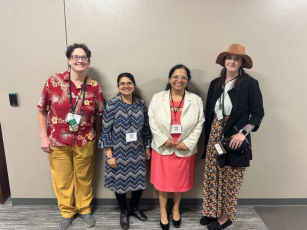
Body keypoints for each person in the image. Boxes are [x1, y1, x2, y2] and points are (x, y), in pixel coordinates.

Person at [37, 43, 104, 230]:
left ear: (88, 62)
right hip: (58, 139)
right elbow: (42, 110)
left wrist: (98, 137)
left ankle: (84, 209)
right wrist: (43, 137)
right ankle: (67, 212)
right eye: (76, 57)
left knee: (84, 176)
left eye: (83, 58)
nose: (79, 60)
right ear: (69, 60)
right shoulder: (53, 81)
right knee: (63, 178)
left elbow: (99, 115)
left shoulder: (94, 87)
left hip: (85, 139)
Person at [200, 44, 264, 230]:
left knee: (231, 177)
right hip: (215, 132)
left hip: (236, 135)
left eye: (237, 59)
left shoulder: (249, 83)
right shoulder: (215, 83)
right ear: (224, 61)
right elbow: (209, 112)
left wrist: (242, 133)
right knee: (213, 175)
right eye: (229, 58)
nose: (232, 61)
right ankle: (211, 211)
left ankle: (226, 216)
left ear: (242, 62)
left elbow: (258, 113)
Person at [148, 64, 205, 230]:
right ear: (169, 79)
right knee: (163, 182)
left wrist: (187, 143)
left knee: (179, 182)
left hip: (183, 148)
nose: (179, 80)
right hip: (163, 147)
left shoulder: (195, 100)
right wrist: (163, 139)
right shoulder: (158, 97)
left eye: (183, 77)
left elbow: (199, 123)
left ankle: (175, 209)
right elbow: (151, 119)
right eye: (175, 76)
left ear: (187, 80)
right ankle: (163, 212)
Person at [98, 73, 152, 230]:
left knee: (138, 183)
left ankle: (134, 208)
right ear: (118, 86)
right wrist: (109, 155)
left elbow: (147, 129)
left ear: (134, 85)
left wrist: (147, 147)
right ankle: (124, 211)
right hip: (118, 152)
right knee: (119, 184)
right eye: (122, 83)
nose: (126, 86)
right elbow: (106, 131)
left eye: (129, 83)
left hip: (138, 151)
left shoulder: (141, 104)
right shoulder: (113, 104)